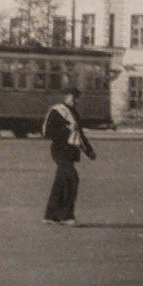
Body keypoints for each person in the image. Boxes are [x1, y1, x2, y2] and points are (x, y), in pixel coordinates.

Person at [42, 87, 96, 226]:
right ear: (65, 97)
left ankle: (50, 215)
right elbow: (46, 132)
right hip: (59, 150)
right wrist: (66, 130)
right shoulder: (57, 111)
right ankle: (67, 216)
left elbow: (80, 134)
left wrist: (89, 151)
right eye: (72, 97)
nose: (74, 100)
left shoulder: (74, 113)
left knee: (60, 182)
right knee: (72, 179)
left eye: (76, 97)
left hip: (70, 151)